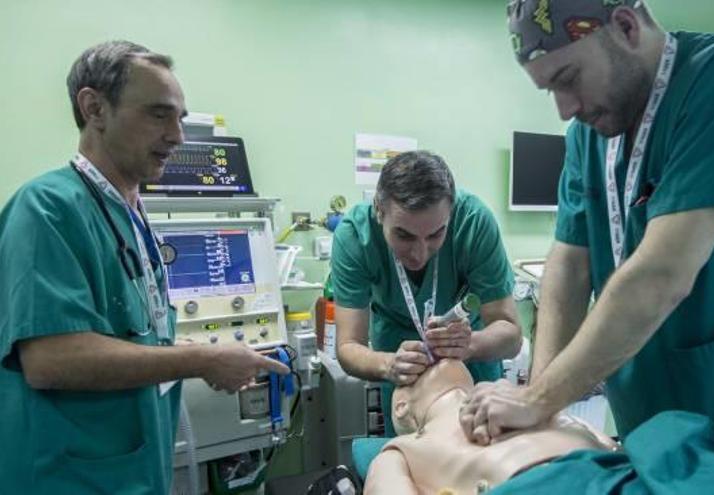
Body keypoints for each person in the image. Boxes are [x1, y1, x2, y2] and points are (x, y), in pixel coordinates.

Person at [459, 1, 714, 493]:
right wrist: (538, 393)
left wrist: (540, 400)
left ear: (625, 25)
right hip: (661, 427)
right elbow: (569, 269)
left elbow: (661, 274)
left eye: (568, 77)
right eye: (550, 89)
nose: (565, 108)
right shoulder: (588, 139)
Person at [0, 40, 289, 494]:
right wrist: (203, 358)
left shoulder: (132, 213)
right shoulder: (47, 209)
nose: (177, 135)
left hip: (134, 468)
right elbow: (51, 360)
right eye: (159, 114)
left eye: (179, 117)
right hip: (68, 475)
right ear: (94, 107)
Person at [366, 359, 714, 494]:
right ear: (401, 406)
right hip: (559, 481)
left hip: (626, 478)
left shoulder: (527, 406)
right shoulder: (403, 449)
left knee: (670, 432)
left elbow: (612, 450)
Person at [331, 150, 522, 434]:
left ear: (451, 213)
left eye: (435, 235)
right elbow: (347, 347)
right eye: (404, 236)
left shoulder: (474, 222)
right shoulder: (355, 237)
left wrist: (469, 345)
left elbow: (511, 335)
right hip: (400, 361)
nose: (419, 253)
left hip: (473, 360)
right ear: (378, 211)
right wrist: (387, 365)